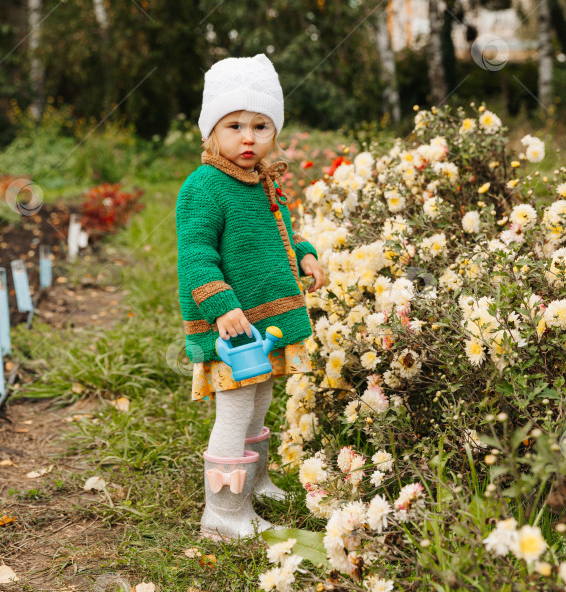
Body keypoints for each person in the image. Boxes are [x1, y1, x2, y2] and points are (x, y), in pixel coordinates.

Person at [175, 54, 326, 541]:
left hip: (263, 320)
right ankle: (222, 510)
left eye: (261, 126)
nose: (248, 137)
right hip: (233, 326)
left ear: (274, 132)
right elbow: (195, 254)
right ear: (211, 132)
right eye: (234, 125)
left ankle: (256, 482)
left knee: (260, 397)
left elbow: (278, 232)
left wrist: (303, 253)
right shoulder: (204, 187)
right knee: (236, 406)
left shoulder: (265, 180)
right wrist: (221, 305)